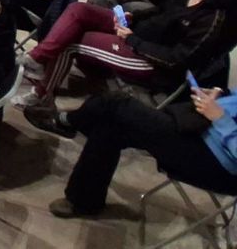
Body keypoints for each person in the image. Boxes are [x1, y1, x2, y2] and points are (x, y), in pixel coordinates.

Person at [15, 0, 237, 109]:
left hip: (149, 61)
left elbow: (176, 59)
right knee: (78, 10)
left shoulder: (214, 18)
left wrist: (132, 40)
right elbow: (162, 12)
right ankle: (37, 58)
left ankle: (42, 99)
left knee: (72, 41)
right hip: (136, 32)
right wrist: (134, 16)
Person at [23, 87, 237, 219]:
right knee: (110, 126)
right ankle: (84, 201)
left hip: (216, 161)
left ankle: (65, 121)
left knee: (117, 104)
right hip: (204, 126)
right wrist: (223, 94)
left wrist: (221, 118)